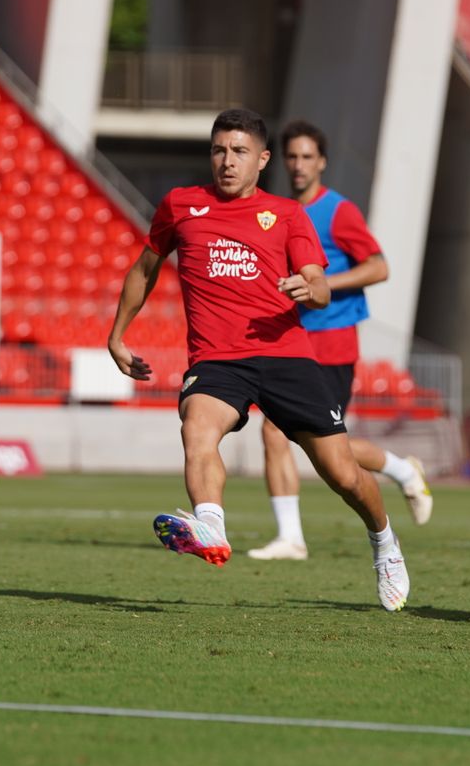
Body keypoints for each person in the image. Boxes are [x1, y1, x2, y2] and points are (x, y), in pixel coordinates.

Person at [106, 107, 410, 611]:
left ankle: (385, 544)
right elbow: (144, 269)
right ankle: (211, 525)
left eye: (239, 152)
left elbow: (317, 286)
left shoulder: (288, 214)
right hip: (217, 360)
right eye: (219, 150)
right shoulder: (180, 206)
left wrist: (306, 287)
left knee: (342, 474)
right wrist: (117, 335)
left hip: (286, 355)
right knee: (196, 428)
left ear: (262, 159)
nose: (227, 161)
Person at [250, 120, 433, 561]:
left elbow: (379, 266)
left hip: (332, 341)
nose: (298, 165)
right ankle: (291, 537)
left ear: (322, 162)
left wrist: (324, 282)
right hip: (290, 342)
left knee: (315, 441)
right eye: (291, 156)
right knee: (278, 433)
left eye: (307, 157)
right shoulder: (277, 212)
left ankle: (400, 470)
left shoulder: (338, 211)